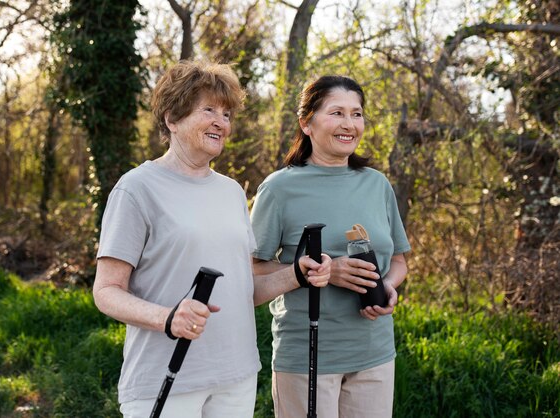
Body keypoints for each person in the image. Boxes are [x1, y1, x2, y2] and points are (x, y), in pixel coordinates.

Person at [92, 60, 331, 418]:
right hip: (165, 377)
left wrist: (296, 273)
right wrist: (167, 317)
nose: (222, 122)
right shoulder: (137, 188)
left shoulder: (231, 192)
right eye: (209, 110)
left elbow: (242, 289)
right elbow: (106, 291)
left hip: (236, 376)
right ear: (172, 119)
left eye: (227, 114)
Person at [250, 75, 411, 418]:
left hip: (375, 353)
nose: (349, 124)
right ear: (306, 123)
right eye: (337, 113)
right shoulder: (278, 189)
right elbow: (253, 274)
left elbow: (398, 261)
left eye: (357, 114)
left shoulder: (377, 184)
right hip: (308, 355)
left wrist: (387, 285)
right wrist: (326, 271)